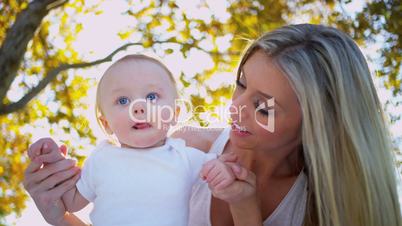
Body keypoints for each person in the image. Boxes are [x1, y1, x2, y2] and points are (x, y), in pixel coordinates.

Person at [23, 24, 402, 226]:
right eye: (240, 85)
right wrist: (58, 214)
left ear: (314, 127)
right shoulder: (185, 145)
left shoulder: (322, 209)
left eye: (264, 108)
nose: (236, 110)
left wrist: (246, 207)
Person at [26, 54, 238, 226]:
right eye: (123, 100)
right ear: (106, 123)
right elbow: (71, 204)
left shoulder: (185, 155)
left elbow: (219, 174)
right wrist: (54, 164)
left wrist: (223, 170)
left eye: (152, 97)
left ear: (174, 113)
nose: (139, 107)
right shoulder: (101, 159)